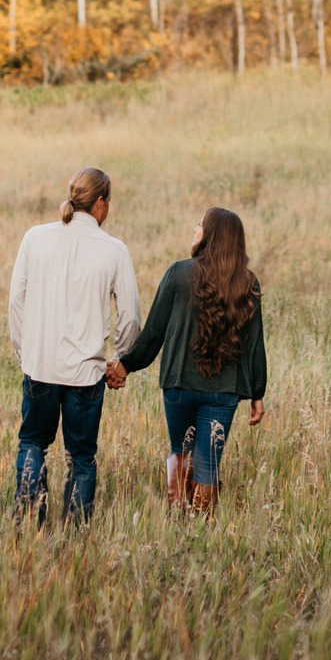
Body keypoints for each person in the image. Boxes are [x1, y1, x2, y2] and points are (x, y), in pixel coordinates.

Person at [107, 206, 266, 515]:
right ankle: (200, 527)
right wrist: (257, 393)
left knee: (181, 453)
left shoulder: (179, 272)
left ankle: (179, 522)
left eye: (198, 227)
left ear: (211, 236)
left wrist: (126, 365)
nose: (194, 232)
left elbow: (154, 331)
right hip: (224, 391)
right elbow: (255, 344)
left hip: (179, 384)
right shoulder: (248, 281)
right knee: (208, 463)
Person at [7, 165, 141, 524]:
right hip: (86, 372)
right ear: (100, 203)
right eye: (108, 201)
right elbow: (129, 317)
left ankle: (30, 520)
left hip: (40, 366)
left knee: (33, 443)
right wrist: (119, 359)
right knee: (81, 458)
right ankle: (74, 531)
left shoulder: (35, 238)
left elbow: (15, 302)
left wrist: (26, 352)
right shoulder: (114, 250)